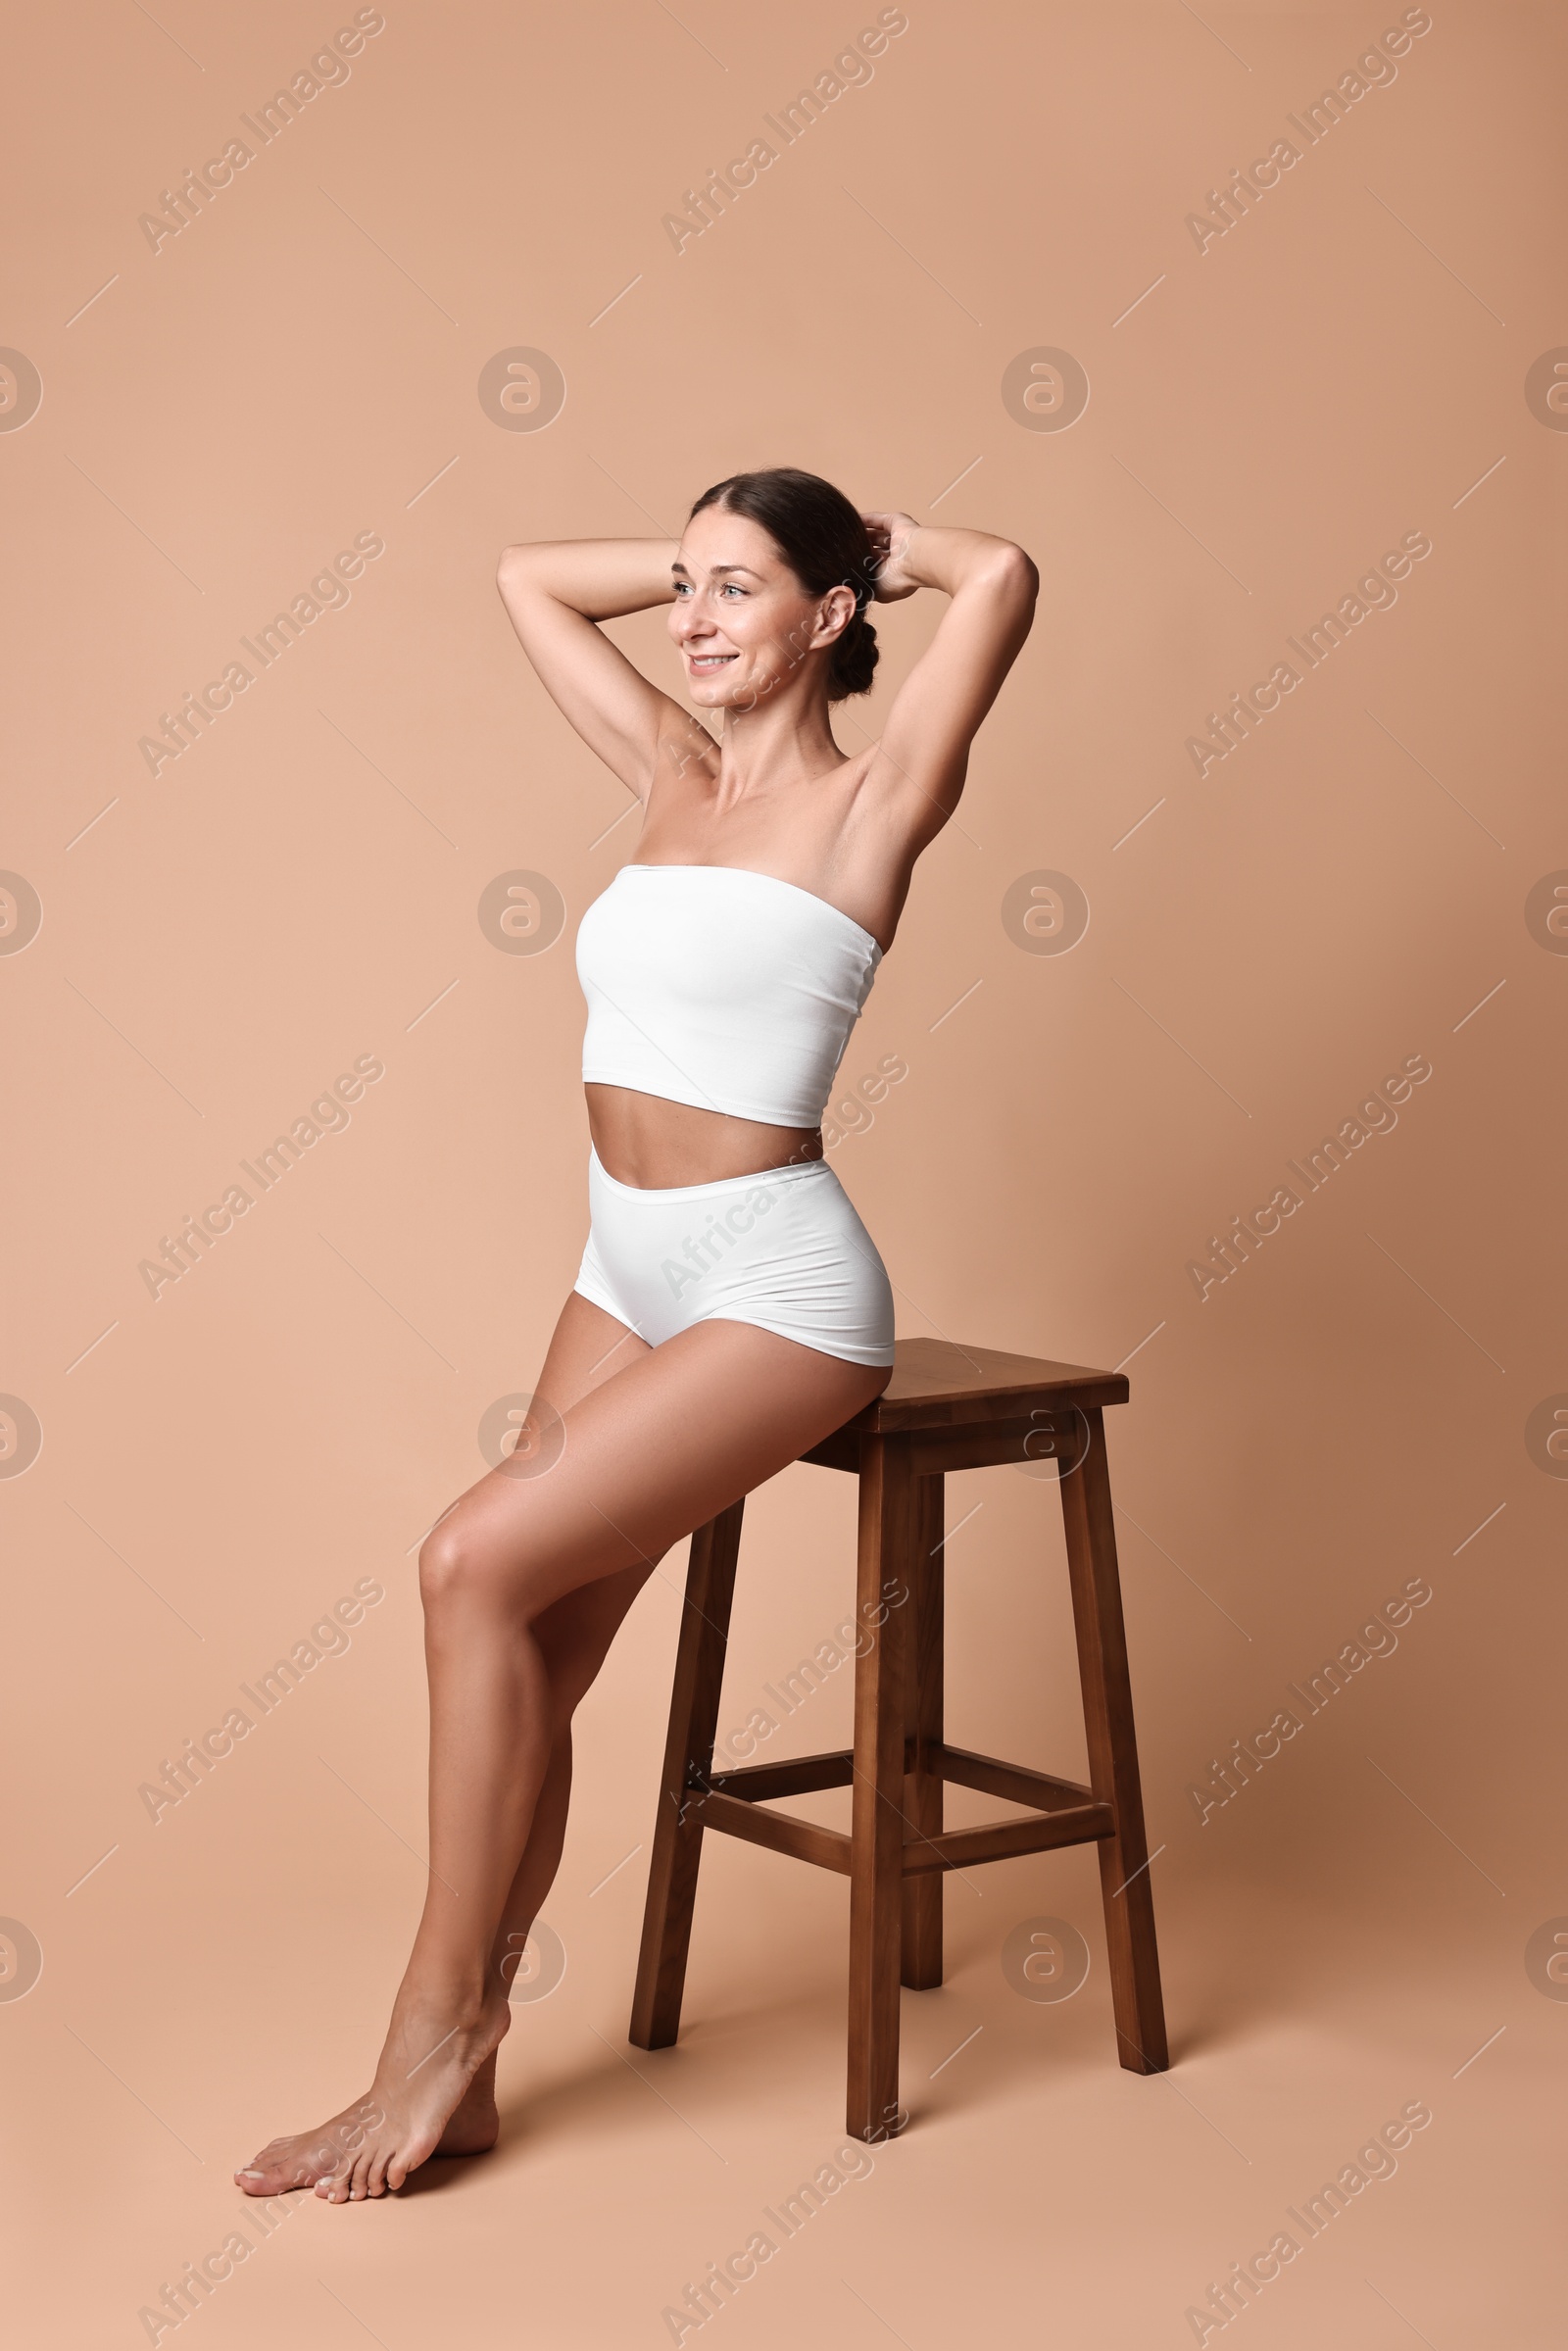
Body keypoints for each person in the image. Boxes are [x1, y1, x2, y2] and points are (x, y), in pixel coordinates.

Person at [235, 466, 1037, 2202]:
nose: (689, 620)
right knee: (537, 1650)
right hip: (624, 1261)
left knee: (467, 1566)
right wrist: (731, 550)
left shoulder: (876, 798)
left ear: (831, 622)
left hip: (775, 1285)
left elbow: (1006, 575)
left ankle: (430, 2037)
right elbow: (525, 574)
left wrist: (869, 542)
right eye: (685, 590)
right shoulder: (673, 771)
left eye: (739, 593)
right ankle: (473, 2069)